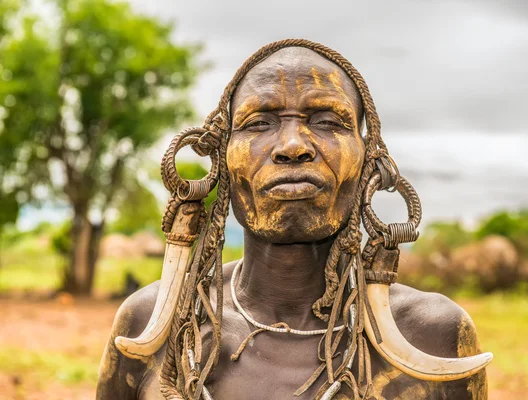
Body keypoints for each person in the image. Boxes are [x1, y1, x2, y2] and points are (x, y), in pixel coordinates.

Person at [97, 39, 490, 400]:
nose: (292, 146)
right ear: (220, 157)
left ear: (370, 158)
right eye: (259, 123)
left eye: (327, 121)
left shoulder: (434, 336)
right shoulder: (150, 324)